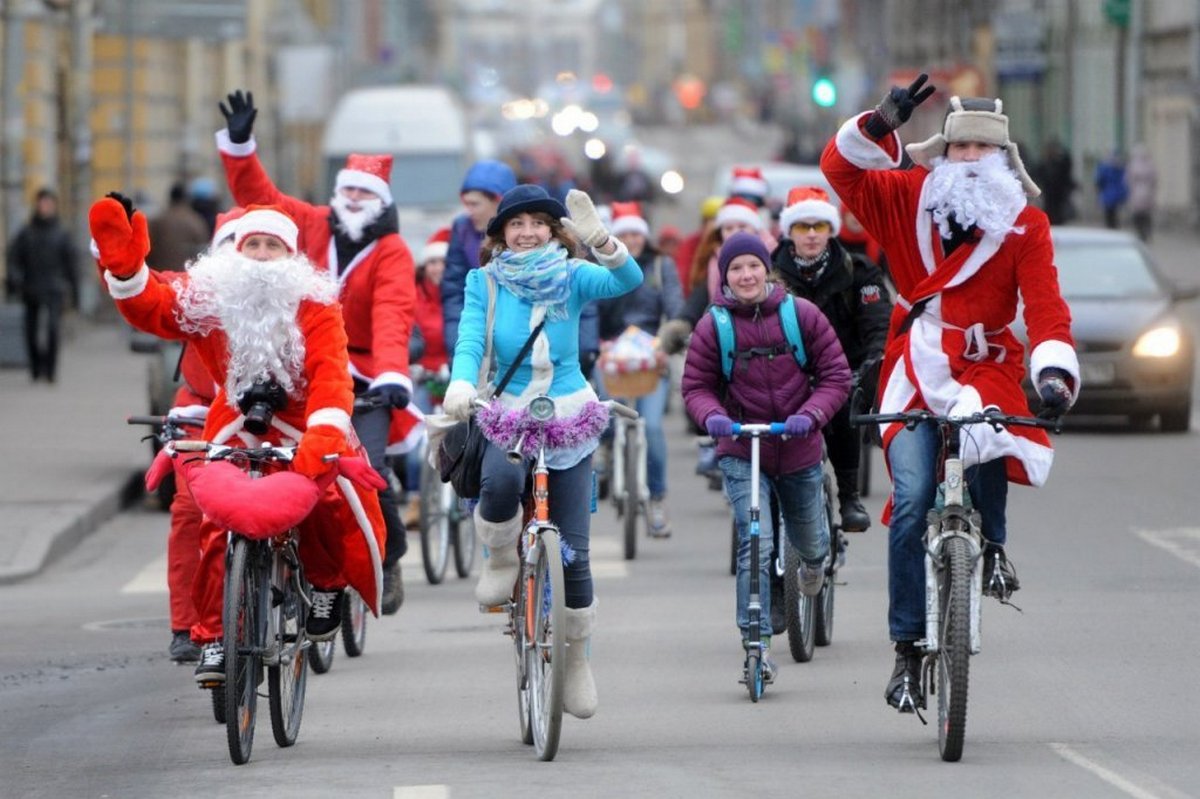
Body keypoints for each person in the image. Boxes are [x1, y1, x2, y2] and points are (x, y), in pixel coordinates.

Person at [821, 76, 1080, 710]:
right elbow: (841, 173)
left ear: (1002, 160)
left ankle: (990, 545)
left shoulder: (1025, 223)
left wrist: (1053, 373)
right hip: (917, 360)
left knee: (989, 431)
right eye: (960, 148)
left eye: (982, 151)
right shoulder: (906, 195)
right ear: (941, 151)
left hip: (986, 359)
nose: (969, 160)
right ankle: (907, 651)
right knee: (910, 501)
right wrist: (880, 124)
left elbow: (1046, 306)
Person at [89, 198, 387, 682]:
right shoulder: (211, 294)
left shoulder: (314, 303)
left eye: (274, 245)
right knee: (212, 522)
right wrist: (126, 272)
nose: (263, 255)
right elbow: (156, 309)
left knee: (326, 501)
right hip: (232, 420)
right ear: (236, 250)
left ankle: (327, 584)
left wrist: (326, 433)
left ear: (290, 255)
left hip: (302, 419)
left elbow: (332, 373)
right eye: (253, 244)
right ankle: (212, 638)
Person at [442, 184, 642, 719]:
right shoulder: (484, 280)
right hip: (507, 408)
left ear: (555, 231)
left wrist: (600, 238)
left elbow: (629, 279)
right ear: (501, 234)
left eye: (538, 223)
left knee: (574, 554)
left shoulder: (573, 276)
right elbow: (469, 342)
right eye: (516, 224)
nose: (527, 231)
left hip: (569, 411)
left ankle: (576, 661)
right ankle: (503, 556)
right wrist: (462, 385)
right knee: (502, 484)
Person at [215, 89, 417, 615]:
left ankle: (386, 555)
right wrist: (240, 146)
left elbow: (395, 311)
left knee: (365, 466)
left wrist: (394, 374)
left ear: (381, 201)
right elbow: (258, 200)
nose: (352, 201)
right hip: (299, 370)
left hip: (367, 375)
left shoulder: (391, 250)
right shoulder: (309, 223)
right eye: (346, 191)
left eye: (363, 194)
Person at [681, 232, 851, 681]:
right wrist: (712, 417)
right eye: (736, 269)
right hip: (743, 447)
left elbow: (835, 374)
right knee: (756, 543)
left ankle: (816, 568)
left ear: (766, 269)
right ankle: (755, 641)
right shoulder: (713, 325)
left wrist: (812, 413)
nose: (746, 275)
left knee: (811, 545)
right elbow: (695, 387)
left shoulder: (801, 315)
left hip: (797, 447)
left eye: (753, 266)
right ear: (726, 277)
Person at [770, 186, 892, 532]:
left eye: (819, 226)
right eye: (802, 226)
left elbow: (878, 321)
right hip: (784, 372)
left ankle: (849, 496)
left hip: (841, 369)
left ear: (830, 229)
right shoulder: (767, 270)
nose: (811, 234)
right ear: (789, 230)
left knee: (839, 409)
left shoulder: (858, 270)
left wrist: (873, 360)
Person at [162, 207, 244, 664]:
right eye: (234, 247)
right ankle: (186, 623)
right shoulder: (195, 295)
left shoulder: (285, 299)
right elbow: (150, 296)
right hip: (198, 414)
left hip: (264, 420)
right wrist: (119, 264)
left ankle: (307, 591)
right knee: (190, 511)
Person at [594, 202, 687, 536]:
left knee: (650, 428)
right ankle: (604, 448)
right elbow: (588, 311)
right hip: (608, 356)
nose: (631, 240)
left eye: (635, 233)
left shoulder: (661, 266)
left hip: (650, 357)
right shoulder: (597, 267)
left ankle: (657, 498)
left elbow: (675, 308)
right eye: (623, 234)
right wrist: (596, 347)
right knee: (601, 413)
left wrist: (667, 342)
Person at [441, 159, 518, 353]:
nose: (469, 211)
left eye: (475, 204)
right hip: (475, 331)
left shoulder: (526, 235)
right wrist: (456, 342)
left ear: (499, 202)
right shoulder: (462, 228)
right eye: (466, 204)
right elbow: (454, 288)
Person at [5, 187, 78, 383]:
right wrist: (15, 279)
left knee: (53, 329)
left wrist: (74, 292)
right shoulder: (27, 233)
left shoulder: (61, 234)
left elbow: (71, 263)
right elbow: (14, 258)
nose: (45, 207)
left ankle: (51, 369)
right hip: (31, 287)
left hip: (54, 288)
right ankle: (36, 367)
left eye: (48, 203)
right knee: (30, 330)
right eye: (42, 203)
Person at [146, 181, 210, 272]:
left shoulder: (157, 220)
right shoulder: (195, 221)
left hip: (160, 276)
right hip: (185, 277)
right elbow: (202, 251)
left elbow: (147, 249)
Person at [1035, 138, 1077, 226]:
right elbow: (1038, 175)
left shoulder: (1060, 164)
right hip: (1049, 197)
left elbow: (1066, 171)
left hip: (1059, 197)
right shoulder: (1044, 165)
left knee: (1059, 216)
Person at [1126, 143, 1158, 242]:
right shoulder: (1137, 165)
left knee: (1143, 215)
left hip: (1142, 193)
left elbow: (1154, 179)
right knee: (1142, 215)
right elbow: (1129, 179)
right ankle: (1143, 232)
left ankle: (1144, 232)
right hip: (1141, 192)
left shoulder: (1145, 165)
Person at [1094, 148, 1128, 230]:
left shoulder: (1105, 167)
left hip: (1108, 193)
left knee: (1109, 212)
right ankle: (1113, 226)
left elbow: (1099, 180)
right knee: (1112, 212)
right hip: (1115, 193)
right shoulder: (1119, 167)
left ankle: (1110, 227)